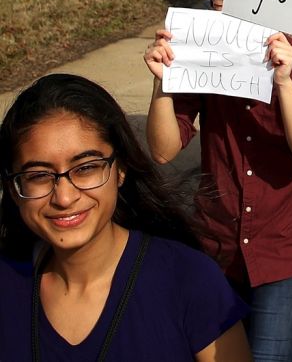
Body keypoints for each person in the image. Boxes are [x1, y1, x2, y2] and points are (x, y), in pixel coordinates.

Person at [144, 0, 292, 362]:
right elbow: (162, 150)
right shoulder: (201, 55)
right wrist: (162, 82)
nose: (237, 9)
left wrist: (284, 83)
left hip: (283, 251)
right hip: (217, 246)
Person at [0, 74, 250, 360]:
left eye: (85, 168)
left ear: (121, 169)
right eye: (39, 176)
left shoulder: (191, 281)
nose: (64, 198)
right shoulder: (7, 284)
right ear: (14, 186)